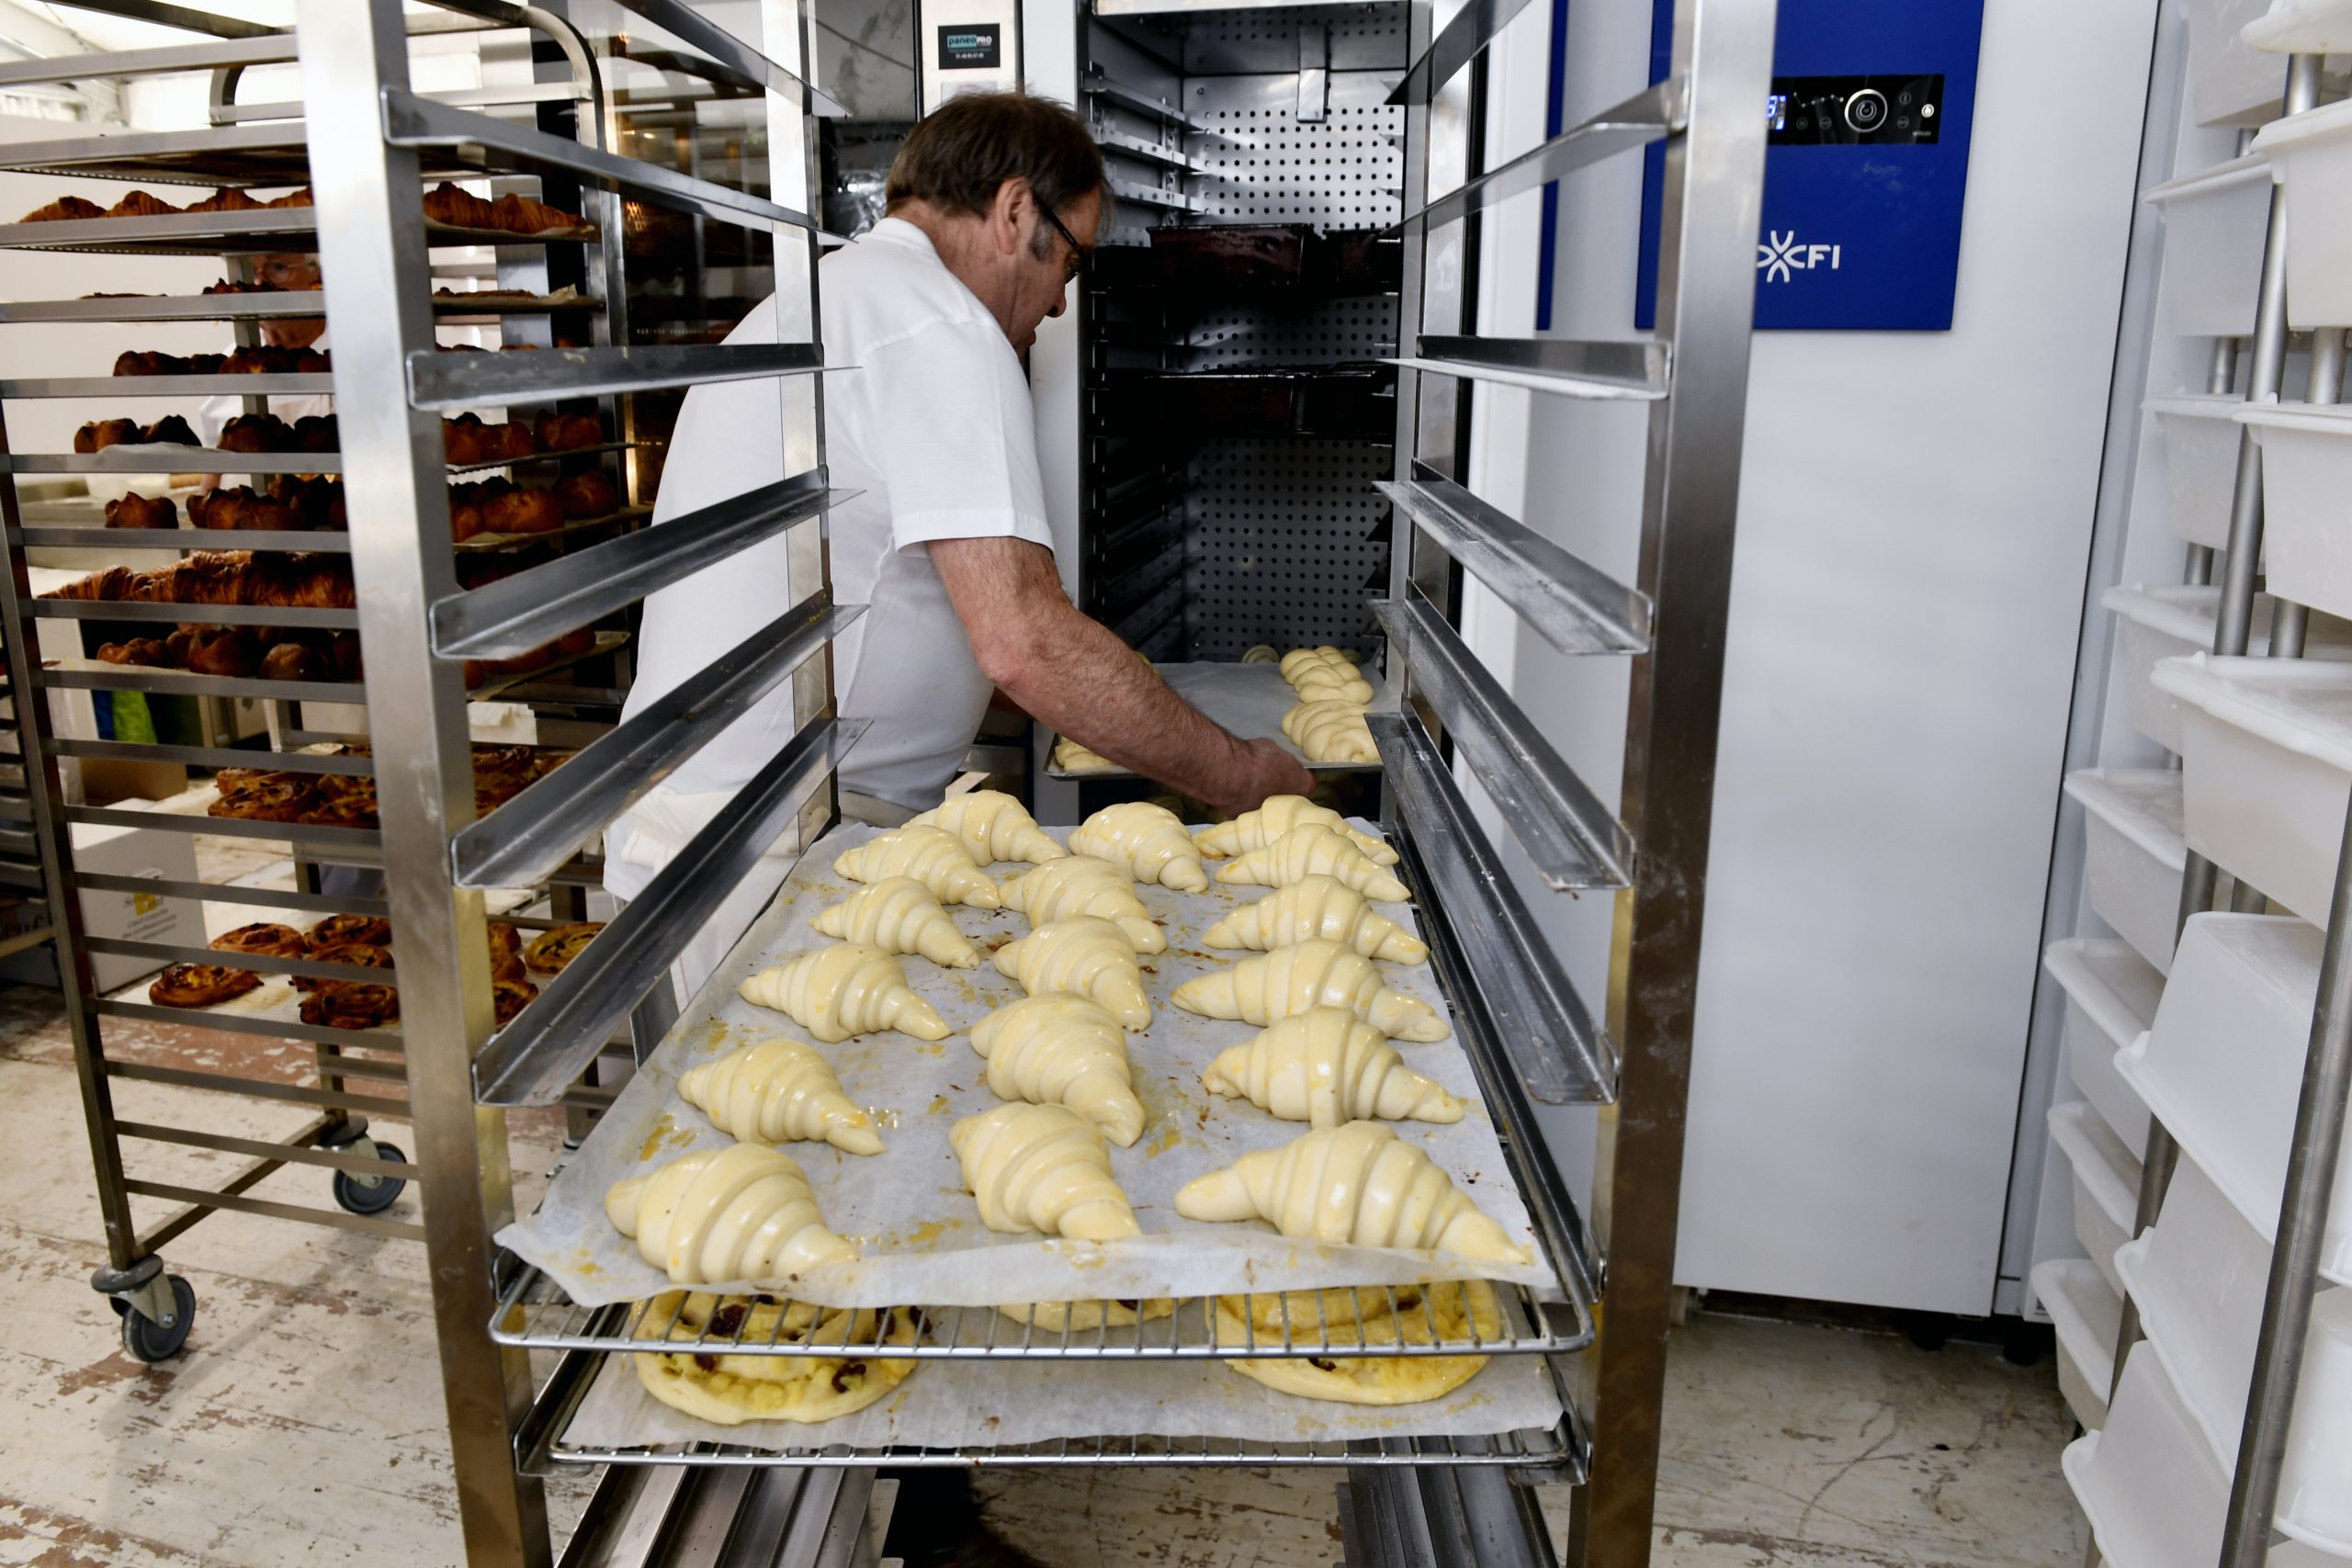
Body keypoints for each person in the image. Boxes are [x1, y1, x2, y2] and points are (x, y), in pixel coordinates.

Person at [607, 92, 1315, 998]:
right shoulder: (941, 327)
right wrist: (1242, 774)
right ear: (1016, 212)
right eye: (1070, 261)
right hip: (768, 868)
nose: (1061, 304)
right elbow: (1023, 641)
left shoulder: (833, 296)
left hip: (708, 841)